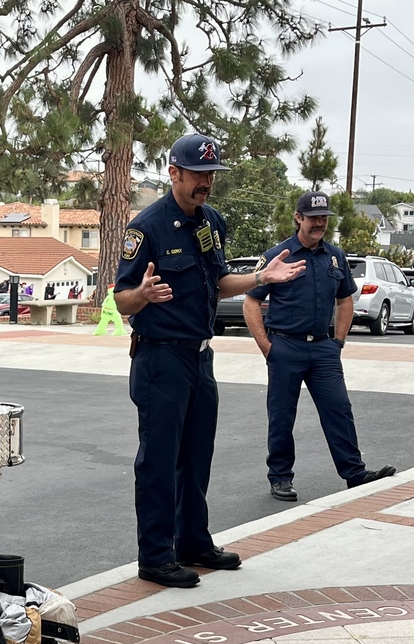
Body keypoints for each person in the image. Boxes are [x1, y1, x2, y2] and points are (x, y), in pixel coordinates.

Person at [114, 133, 306, 588]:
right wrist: (140, 295)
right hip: (160, 360)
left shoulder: (211, 222)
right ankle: (156, 556)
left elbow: (218, 281)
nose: (206, 183)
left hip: (201, 359)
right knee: (159, 461)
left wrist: (263, 277)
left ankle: (193, 542)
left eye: (211, 175)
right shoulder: (147, 227)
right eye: (198, 174)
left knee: (197, 456)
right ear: (174, 172)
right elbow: (122, 299)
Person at [243, 191, 396, 502]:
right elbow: (251, 300)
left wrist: (338, 342)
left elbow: (345, 301)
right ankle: (281, 477)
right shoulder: (280, 255)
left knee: (339, 410)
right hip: (285, 347)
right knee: (282, 415)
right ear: (298, 218)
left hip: (324, 350)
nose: (319, 224)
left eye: (324, 218)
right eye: (313, 218)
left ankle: (355, 474)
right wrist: (265, 345)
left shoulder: (335, 256)